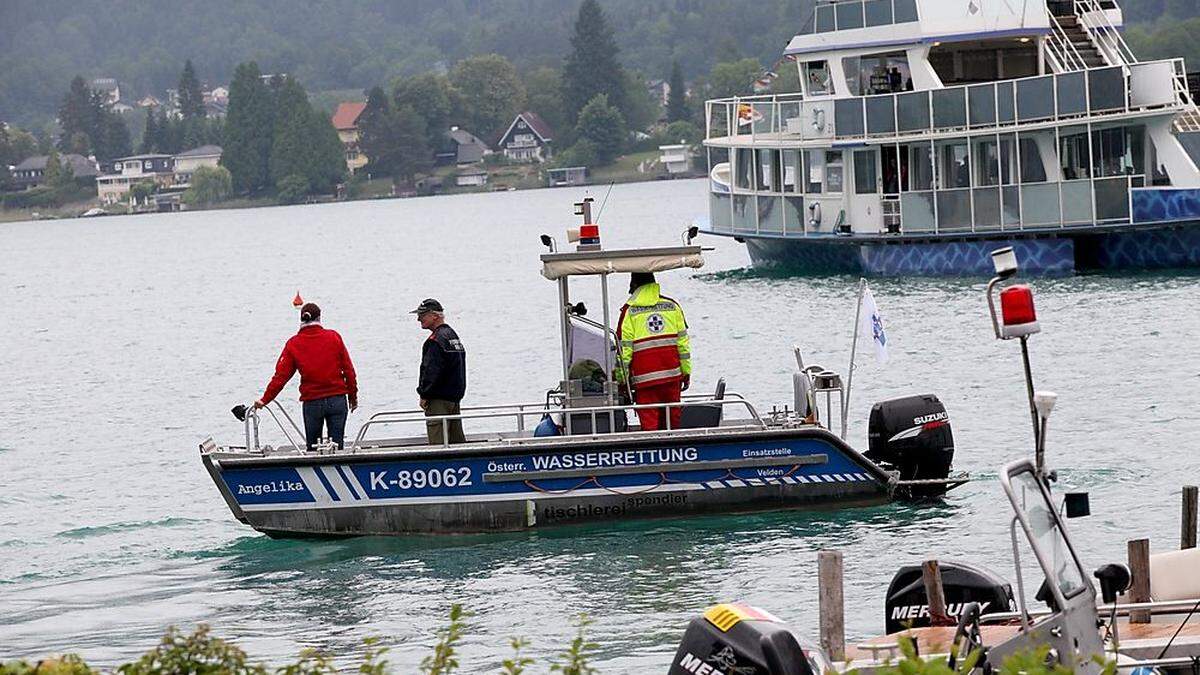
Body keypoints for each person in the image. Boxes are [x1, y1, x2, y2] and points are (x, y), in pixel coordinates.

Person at [256, 302, 357, 451]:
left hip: (312, 403)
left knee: (313, 449)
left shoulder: (293, 344)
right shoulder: (334, 337)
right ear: (320, 317)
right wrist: (353, 397)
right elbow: (349, 371)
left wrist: (264, 399)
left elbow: (281, 377)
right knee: (337, 447)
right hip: (337, 400)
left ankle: (313, 471)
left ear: (301, 319)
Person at [615, 272, 691, 431]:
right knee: (673, 425)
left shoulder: (630, 312)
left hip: (645, 382)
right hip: (672, 378)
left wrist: (622, 380)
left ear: (634, 285)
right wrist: (686, 372)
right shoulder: (672, 306)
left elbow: (624, 352)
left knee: (650, 427)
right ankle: (675, 452)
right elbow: (683, 345)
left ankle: (654, 452)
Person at [412, 298, 467, 445]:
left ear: (434, 316)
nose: (418, 319)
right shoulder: (452, 336)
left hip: (438, 401)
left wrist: (424, 394)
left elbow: (431, 371)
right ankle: (462, 466)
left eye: (422, 315)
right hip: (454, 399)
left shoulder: (435, 341)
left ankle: (440, 467)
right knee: (456, 442)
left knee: (438, 443)